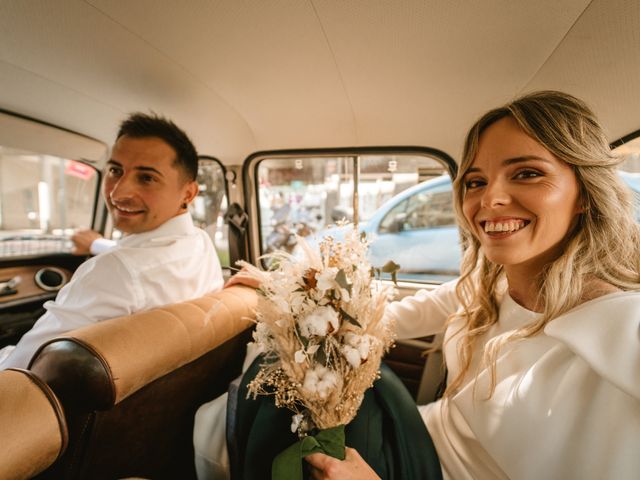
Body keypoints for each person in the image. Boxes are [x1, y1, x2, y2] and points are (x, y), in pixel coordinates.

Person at [309, 92, 639, 478]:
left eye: (527, 173)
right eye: (475, 181)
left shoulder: (623, 326)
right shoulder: (490, 285)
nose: (489, 199)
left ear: (584, 193)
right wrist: (293, 299)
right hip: (419, 433)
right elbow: (392, 319)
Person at [0, 113, 224, 370]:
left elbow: (23, 367)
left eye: (146, 177)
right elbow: (144, 265)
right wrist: (96, 244)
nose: (118, 193)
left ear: (188, 193)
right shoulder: (200, 244)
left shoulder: (113, 271)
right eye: (116, 171)